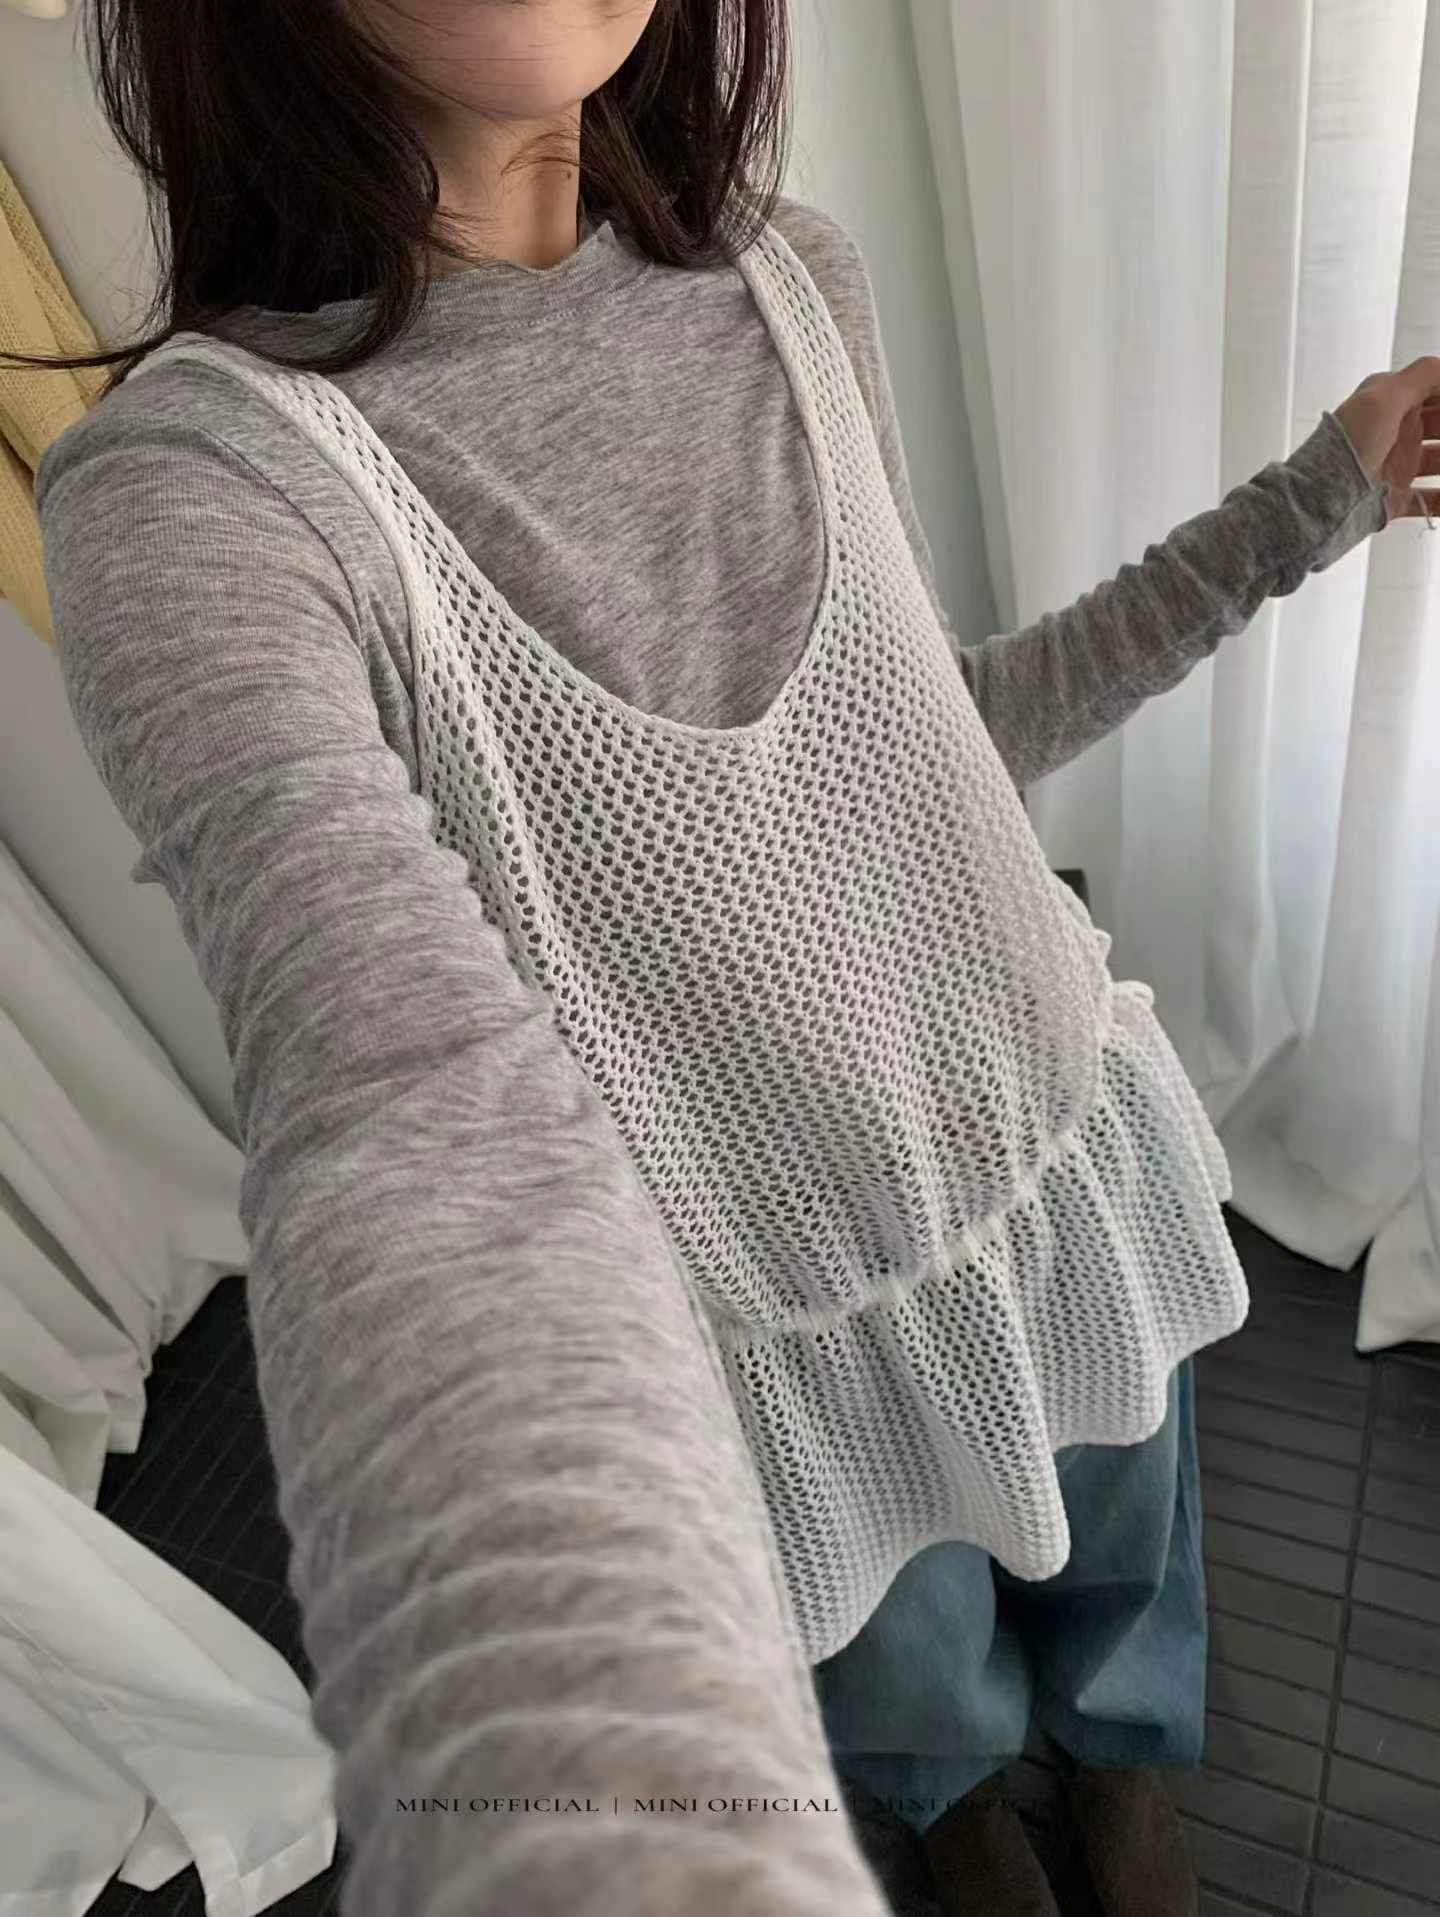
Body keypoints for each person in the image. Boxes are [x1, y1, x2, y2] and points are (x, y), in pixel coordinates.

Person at [8, 2, 1437, 1912]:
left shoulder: (793, 279)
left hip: (1052, 1149)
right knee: (907, 1684)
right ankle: (958, 1819)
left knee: (1125, 1577)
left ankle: (1122, 1772)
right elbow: (376, 1080)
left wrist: (1307, 502)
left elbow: (942, 739)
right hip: (763, 1317)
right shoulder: (204, 491)